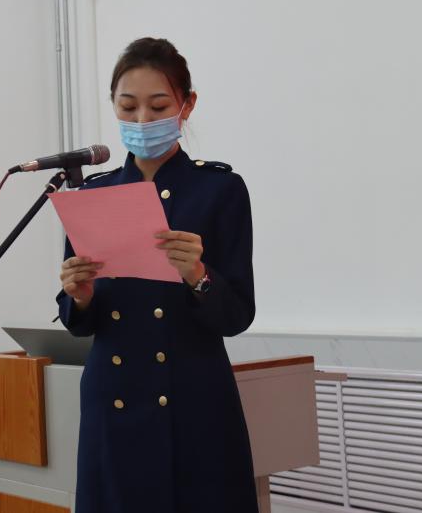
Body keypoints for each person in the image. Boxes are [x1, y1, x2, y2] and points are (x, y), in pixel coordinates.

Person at [55, 37, 259, 513]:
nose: (143, 120)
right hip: (113, 398)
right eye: (128, 107)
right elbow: (79, 322)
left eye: (159, 105)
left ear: (187, 104)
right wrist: (79, 295)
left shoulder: (219, 189)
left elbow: (237, 315)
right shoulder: (93, 194)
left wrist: (198, 275)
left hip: (192, 398)